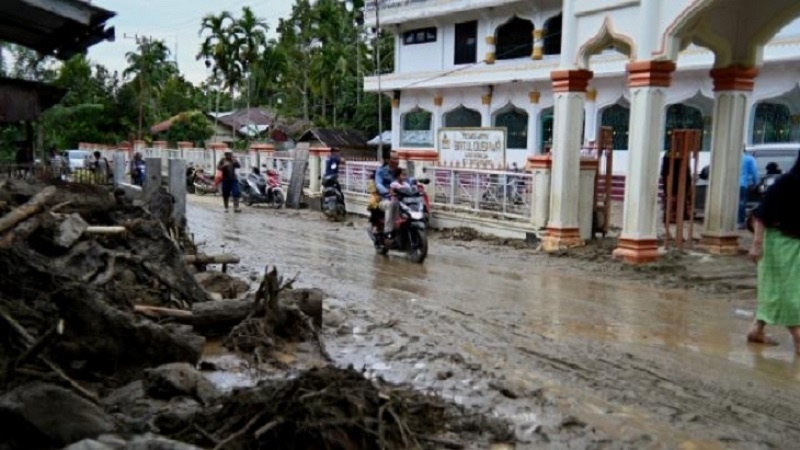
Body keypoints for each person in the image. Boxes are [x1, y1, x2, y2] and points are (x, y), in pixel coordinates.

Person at [747, 150, 800, 353]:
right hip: (777, 243)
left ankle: (757, 329)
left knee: (774, 290)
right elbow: (762, 213)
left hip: (796, 244)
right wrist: (757, 243)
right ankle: (797, 335)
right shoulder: (787, 182)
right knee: (788, 292)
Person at [375, 156, 399, 242]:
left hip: (398, 198)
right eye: (394, 159)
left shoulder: (399, 171)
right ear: (388, 160)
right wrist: (387, 191)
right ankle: (388, 232)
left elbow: (407, 179)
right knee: (390, 204)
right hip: (384, 199)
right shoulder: (381, 171)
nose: (396, 161)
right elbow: (378, 184)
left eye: (397, 159)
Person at [740, 149, 759, 229]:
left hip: (730, 184)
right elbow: (754, 172)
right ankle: (740, 222)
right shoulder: (749, 159)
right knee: (741, 202)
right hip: (743, 183)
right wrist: (755, 183)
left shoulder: (731, 158)